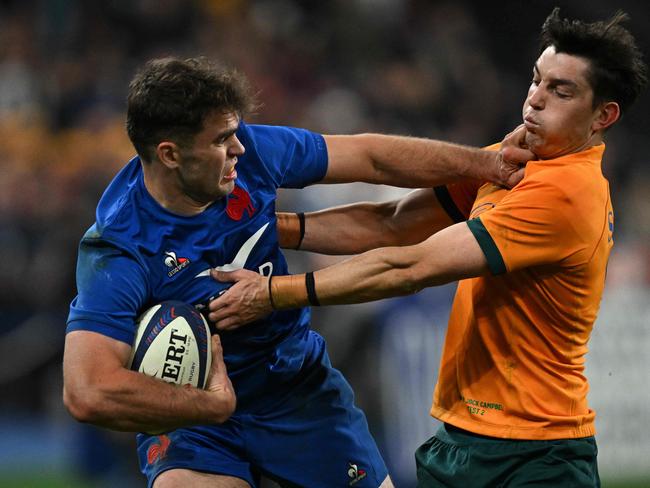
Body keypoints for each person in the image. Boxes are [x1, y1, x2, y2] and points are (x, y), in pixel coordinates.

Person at [208, 9, 648, 487]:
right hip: (465, 438)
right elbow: (394, 224)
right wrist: (271, 227)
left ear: (603, 115)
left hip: (535, 455)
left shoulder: (564, 193)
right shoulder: (521, 161)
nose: (535, 101)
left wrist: (273, 292)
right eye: (536, 81)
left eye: (561, 92)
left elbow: (410, 266)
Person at [62, 56, 532, 488]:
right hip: (195, 418)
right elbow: (87, 390)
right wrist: (212, 404)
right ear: (169, 154)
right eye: (221, 140)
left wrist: (484, 162)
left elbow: (370, 157)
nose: (239, 148)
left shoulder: (253, 156)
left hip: (296, 390)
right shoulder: (118, 247)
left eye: (235, 132)